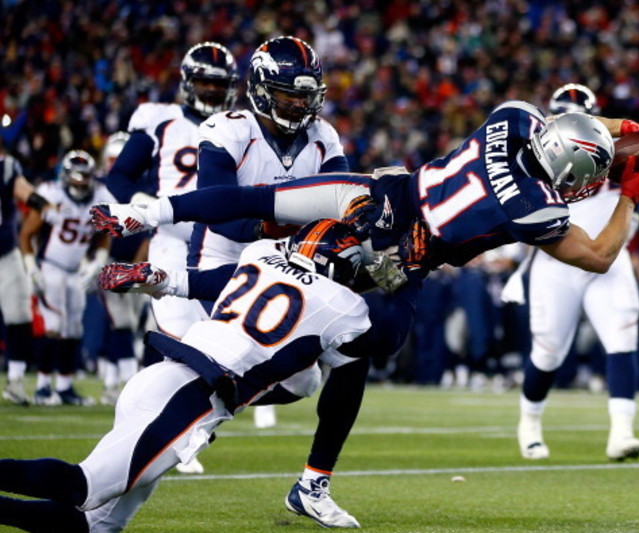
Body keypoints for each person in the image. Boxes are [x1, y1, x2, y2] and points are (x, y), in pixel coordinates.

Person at [0, 218, 427, 533]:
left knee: (97, 527)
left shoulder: (260, 257)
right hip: (191, 396)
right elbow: (387, 339)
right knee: (83, 486)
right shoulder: (338, 302)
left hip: (167, 376)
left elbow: (300, 373)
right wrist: (413, 277)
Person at [92, 103, 639, 279]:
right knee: (304, 290)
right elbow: (596, 255)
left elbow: (564, 119)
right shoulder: (535, 207)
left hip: (378, 190)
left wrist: (626, 131)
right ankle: (167, 282)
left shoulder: (511, 121)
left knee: (260, 199)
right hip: (404, 248)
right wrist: (629, 198)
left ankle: (147, 211)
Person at [188, 36, 349, 439]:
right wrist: (272, 226)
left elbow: (344, 199)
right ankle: (191, 410)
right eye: (287, 94)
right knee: (231, 357)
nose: (299, 104)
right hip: (223, 259)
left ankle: (218, 403)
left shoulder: (323, 136)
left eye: (305, 96)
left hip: (283, 265)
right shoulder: (229, 130)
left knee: (305, 381)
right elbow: (215, 210)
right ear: (260, 89)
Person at [105, 40, 238, 474]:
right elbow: (120, 175)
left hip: (223, 245)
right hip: (173, 244)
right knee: (183, 342)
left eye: (220, 86)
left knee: (227, 346)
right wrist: (142, 204)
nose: (213, 94)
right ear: (186, 82)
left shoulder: (242, 126)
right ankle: (173, 435)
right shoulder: (159, 119)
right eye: (205, 84)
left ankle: (188, 429)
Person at [508, 83, 639, 461]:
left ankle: (622, 431)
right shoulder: (531, 155)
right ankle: (530, 422)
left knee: (622, 336)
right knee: (549, 352)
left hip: (607, 257)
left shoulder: (613, 150)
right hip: (558, 261)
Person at [18, 150, 114, 406]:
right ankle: (41, 387)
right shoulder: (51, 194)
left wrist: (98, 261)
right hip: (50, 267)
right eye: (77, 175)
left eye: (85, 176)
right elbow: (26, 234)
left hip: (76, 270)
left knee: (74, 329)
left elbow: (105, 232)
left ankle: (64, 387)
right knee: (54, 327)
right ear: (65, 175)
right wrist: (30, 267)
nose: (81, 181)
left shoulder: (100, 197)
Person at [0, 135, 53, 405]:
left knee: (19, 314)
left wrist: (40, 203)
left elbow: (23, 190)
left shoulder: (6, 166)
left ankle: (16, 380)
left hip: (5, 254)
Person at [96, 132, 148, 405]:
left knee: (127, 324)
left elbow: (149, 233)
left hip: (136, 264)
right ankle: (117, 383)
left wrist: (138, 267)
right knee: (121, 323)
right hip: (107, 261)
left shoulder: (140, 187)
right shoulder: (101, 189)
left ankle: (112, 380)